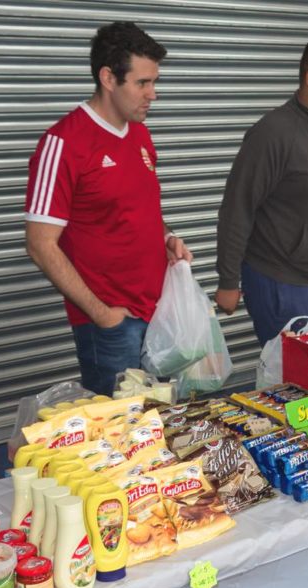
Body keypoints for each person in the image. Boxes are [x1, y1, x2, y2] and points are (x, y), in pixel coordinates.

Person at [24, 21, 192, 397]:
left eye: (154, 82)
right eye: (142, 83)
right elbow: (39, 244)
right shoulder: (63, 142)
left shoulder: (140, 133)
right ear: (108, 78)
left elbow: (140, 209)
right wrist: (102, 314)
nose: (153, 94)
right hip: (112, 326)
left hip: (158, 314)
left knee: (165, 420)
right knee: (120, 427)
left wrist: (167, 237)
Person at [214, 35, 308, 346]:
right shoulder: (273, 133)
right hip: (283, 284)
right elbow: (237, 207)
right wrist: (228, 281)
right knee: (294, 374)